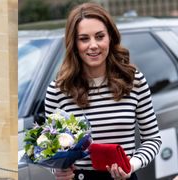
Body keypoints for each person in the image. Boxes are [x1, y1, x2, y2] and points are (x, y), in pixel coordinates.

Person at [45, 2, 162, 180]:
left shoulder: (134, 81)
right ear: (74, 43)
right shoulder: (58, 90)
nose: (93, 45)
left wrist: (131, 164)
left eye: (99, 36)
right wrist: (58, 170)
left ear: (110, 38)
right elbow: (50, 149)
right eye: (84, 39)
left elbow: (152, 139)